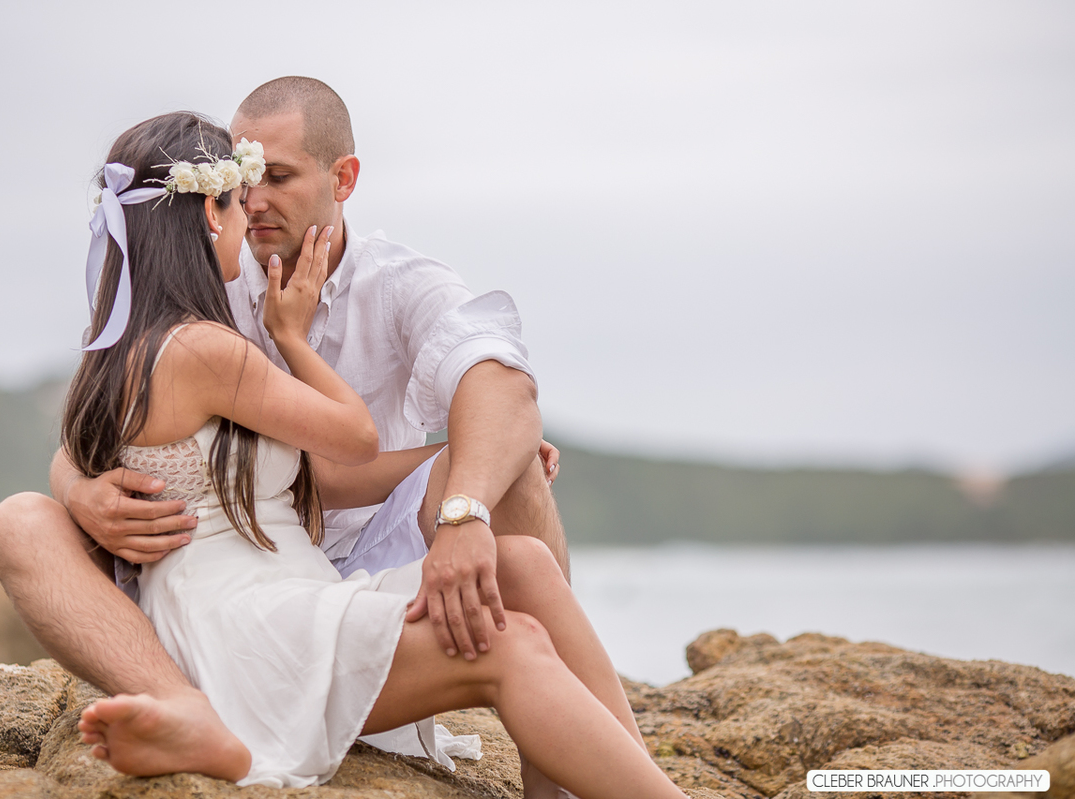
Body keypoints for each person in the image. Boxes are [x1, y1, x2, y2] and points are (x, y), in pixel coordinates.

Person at [45, 111, 686, 798]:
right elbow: (354, 437)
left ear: (342, 178)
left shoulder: (129, 335)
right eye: (243, 188)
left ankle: (593, 782)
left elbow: (487, 380)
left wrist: (474, 471)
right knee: (513, 641)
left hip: (290, 581)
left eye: (276, 177)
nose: (253, 205)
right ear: (211, 211)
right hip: (250, 615)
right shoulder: (204, 336)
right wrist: (291, 338)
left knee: (523, 560)